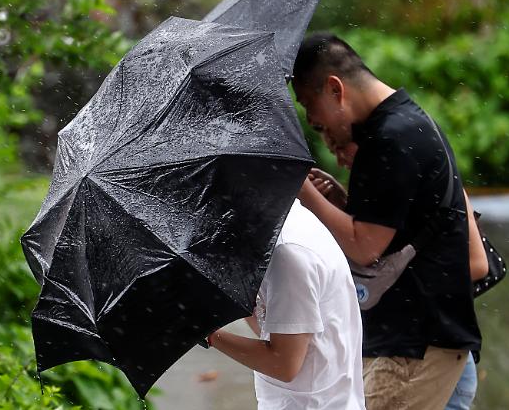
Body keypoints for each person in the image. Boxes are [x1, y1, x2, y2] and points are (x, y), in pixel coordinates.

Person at [292, 32, 482, 410]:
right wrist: (339, 201)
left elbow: (365, 247)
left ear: (334, 88)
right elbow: (397, 230)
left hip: (414, 348)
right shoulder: (405, 123)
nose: (314, 121)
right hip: (429, 341)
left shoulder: (391, 138)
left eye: (310, 108)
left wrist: (304, 193)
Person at [309, 141, 487, 410]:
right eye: (334, 150)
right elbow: (381, 259)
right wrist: (340, 203)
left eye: (343, 148)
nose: (340, 159)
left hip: (435, 356)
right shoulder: (386, 196)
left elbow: (477, 266)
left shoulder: (439, 190)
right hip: (399, 350)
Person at [206, 199, 366, 410]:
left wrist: (208, 334)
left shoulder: (287, 255)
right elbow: (276, 331)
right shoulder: (294, 219)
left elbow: (283, 364)